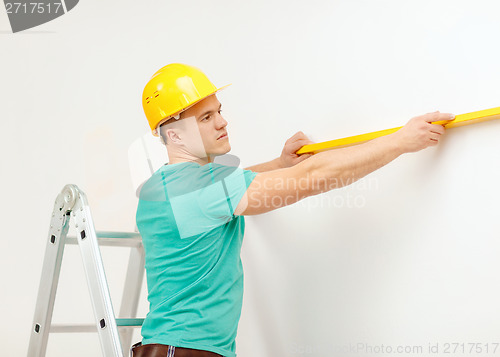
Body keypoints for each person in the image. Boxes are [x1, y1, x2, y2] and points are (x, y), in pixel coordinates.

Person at [133, 63, 455, 357]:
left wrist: (279, 165)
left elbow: (231, 190)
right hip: (186, 350)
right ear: (173, 134)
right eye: (206, 118)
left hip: (172, 346)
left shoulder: (161, 186)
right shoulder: (202, 187)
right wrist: (400, 141)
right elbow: (313, 176)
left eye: (218, 111)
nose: (222, 121)